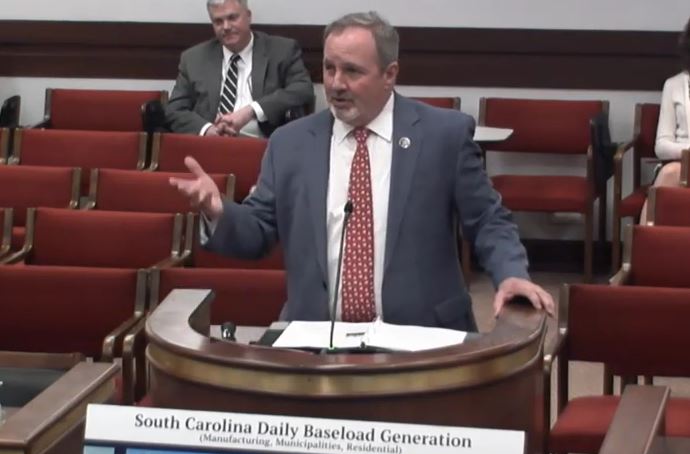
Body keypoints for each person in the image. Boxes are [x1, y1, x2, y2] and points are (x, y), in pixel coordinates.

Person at [171, 11, 554, 329]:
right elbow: (258, 232)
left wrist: (511, 274)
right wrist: (219, 211)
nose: (336, 84)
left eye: (352, 71)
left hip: (424, 340)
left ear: (390, 74)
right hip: (317, 343)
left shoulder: (443, 135)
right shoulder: (290, 144)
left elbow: (487, 219)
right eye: (329, 68)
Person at [165, 0, 315, 138]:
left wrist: (251, 110)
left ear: (248, 16)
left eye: (232, 18)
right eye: (218, 21)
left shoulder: (281, 50)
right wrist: (207, 129)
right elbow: (175, 110)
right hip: (211, 146)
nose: (226, 27)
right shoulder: (193, 59)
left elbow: (302, 89)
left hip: (264, 145)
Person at [640, 17, 690, 223]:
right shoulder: (673, 85)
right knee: (671, 173)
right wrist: (687, 153)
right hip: (681, 164)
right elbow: (661, 146)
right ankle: (645, 242)